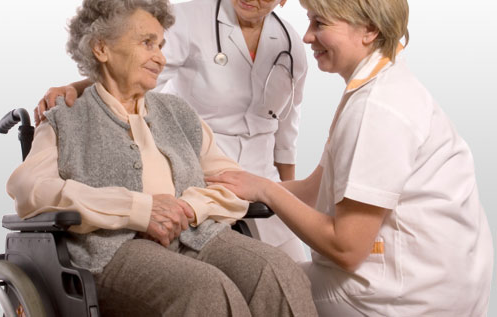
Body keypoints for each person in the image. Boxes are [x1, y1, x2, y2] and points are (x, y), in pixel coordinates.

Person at [7, 0, 318, 315]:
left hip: (196, 232)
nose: (160, 56)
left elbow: (233, 183)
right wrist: (139, 210)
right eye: (147, 43)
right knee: (206, 290)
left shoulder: (179, 112)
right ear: (101, 47)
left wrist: (187, 208)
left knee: (277, 271)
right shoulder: (67, 119)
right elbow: (29, 189)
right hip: (115, 247)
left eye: (160, 45)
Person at [207, 0, 494, 315]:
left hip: (404, 297)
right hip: (446, 279)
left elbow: (346, 248)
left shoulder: (378, 109)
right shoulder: (380, 83)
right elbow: (316, 189)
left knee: (251, 288)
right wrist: (247, 187)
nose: (306, 36)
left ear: (369, 29)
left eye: (320, 23)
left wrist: (267, 191)